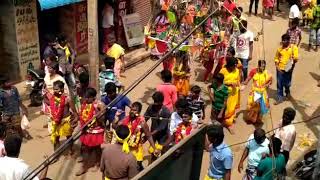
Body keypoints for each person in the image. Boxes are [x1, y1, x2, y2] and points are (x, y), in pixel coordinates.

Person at [117, 102, 159, 171]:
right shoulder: (126, 119)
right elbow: (115, 127)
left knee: (137, 167)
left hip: (136, 149)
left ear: (138, 112)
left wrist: (154, 148)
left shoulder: (142, 123)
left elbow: (148, 136)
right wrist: (117, 118)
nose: (132, 112)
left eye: (134, 110)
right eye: (131, 109)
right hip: (126, 147)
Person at [76, 88, 106, 176]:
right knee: (85, 148)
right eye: (85, 97)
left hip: (96, 130)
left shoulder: (100, 105)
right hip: (86, 130)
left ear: (93, 97)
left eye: (87, 98)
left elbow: (102, 120)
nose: (85, 99)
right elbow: (82, 115)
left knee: (97, 148)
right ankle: (84, 166)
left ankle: (98, 163)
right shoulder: (85, 103)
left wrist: (98, 113)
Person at [43, 81, 78, 154]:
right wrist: (44, 95)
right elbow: (47, 102)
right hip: (56, 121)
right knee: (55, 137)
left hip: (65, 121)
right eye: (54, 89)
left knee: (68, 136)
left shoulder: (67, 98)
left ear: (62, 89)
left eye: (57, 89)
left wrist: (76, 118)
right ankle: (56, 152)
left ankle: (71, 150)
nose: (55, 91)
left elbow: (74, 110)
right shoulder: (52, 98)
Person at [242, 60, 272, 124]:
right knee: (253, 106)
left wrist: (267, 84)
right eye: (261, 66)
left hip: (263, 92)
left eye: (264, 66)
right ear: (258, 66)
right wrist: (242, 84)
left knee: (261, 107)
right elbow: (247, 80)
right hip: (255, 92)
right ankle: (250, 119)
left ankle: (258, 119)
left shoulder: (267, 72)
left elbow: (270, 81)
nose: (263, 68)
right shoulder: (253, 71)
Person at [144, 92, 171, 162]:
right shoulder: (151, 107)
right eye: (154, 101)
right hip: (153, 132)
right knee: (153, 150)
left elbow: (162, 127)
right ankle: (152, 163)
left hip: (163, 135)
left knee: (163, 150)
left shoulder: (166, 112)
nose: (155, 103)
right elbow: (145, 119)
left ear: (161, 101)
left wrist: (149, 134)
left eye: (157, 102)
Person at [274, 34, 299, 105]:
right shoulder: (279, 49)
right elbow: (276, 58)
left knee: (287, 83)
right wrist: (277, 66)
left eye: (285, 40)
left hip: (289, 69)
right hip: (280, 69)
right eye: (282, 40)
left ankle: (287, 92)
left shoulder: (293, 48)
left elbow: (296, 58)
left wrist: (293, 62)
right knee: (279, 84)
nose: (283, 42)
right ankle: (280, 98)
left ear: (288, 40)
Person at [219, 57, 240, 133]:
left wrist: (237, 84)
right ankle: (224, 121)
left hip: (234, 93)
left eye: (235, 65)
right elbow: (219, 82)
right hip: (225, 92)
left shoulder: (237, 70)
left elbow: (238, 80)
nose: (235, 67)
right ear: (229, 65)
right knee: (225, 108)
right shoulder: (223, 71)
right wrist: (229, 83)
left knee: (232, 108)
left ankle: (229, 124)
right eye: (233, 66)